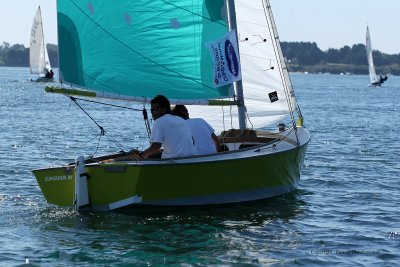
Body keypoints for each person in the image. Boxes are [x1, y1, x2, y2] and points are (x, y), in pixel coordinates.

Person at [132, 95, 194, 159]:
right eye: (152, 110)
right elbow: (193, 141)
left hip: (173, 160)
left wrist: (143, 154)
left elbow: (156, 146)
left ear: (164, 109)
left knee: (140, 155)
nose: (153, 113)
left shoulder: (160, 121)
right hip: (190, 158)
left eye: (156, 109)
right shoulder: (180, 119)